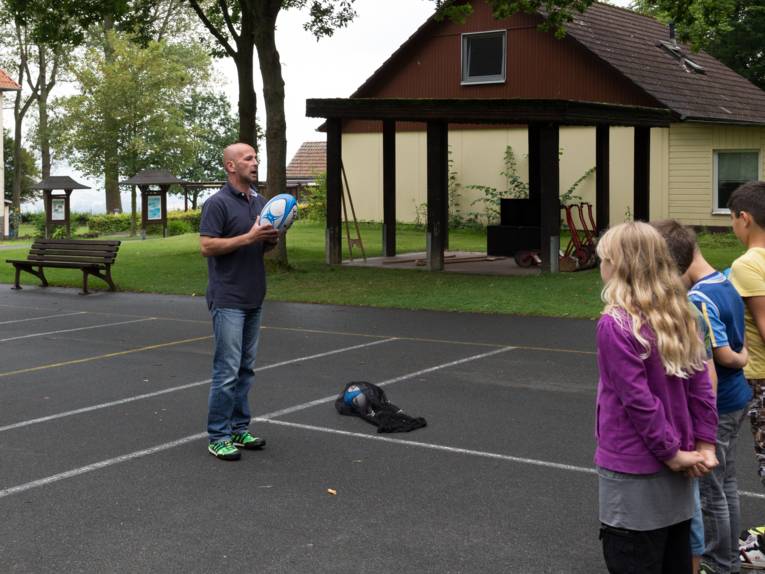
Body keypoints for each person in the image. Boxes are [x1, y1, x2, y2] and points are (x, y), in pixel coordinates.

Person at [595, 221, 718, 574]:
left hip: (635, 470)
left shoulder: (614, 324)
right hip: (678, 462)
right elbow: (702, 388)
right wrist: (703, 444)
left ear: (616, 267)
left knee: (633, 557)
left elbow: (638, 401)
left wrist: (673, 453)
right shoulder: (683, 315)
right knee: (674, 558)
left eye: (603, 259)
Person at [654, 220, 750, 574]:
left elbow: (717, 357)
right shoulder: (725, 281)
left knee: (710, 494)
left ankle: (717, 562)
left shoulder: (698, 298)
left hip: (719, 403)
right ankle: (726, 558)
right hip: (736, 397)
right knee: (727, 483)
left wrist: (739, 359)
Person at [199, 142, 279, 461]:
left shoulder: (259, 202)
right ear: (231, 166)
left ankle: (238, 428)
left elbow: (258, 249)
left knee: (246, 369)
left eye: (256, 157)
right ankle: (218, 435)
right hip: (228, 298)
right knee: (227, 369)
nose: (255, 163)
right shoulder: (216, 203)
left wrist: (268, 240)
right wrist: (248, 237)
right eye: (248, 158)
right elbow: (207, 246)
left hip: (253, 295)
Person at [652, 219, 719, 574]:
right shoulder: (679, 309)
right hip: (674, 433)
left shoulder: (684, 311)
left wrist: (704, 435)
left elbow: (704, 375)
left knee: (688, 508)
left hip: (677, 433)